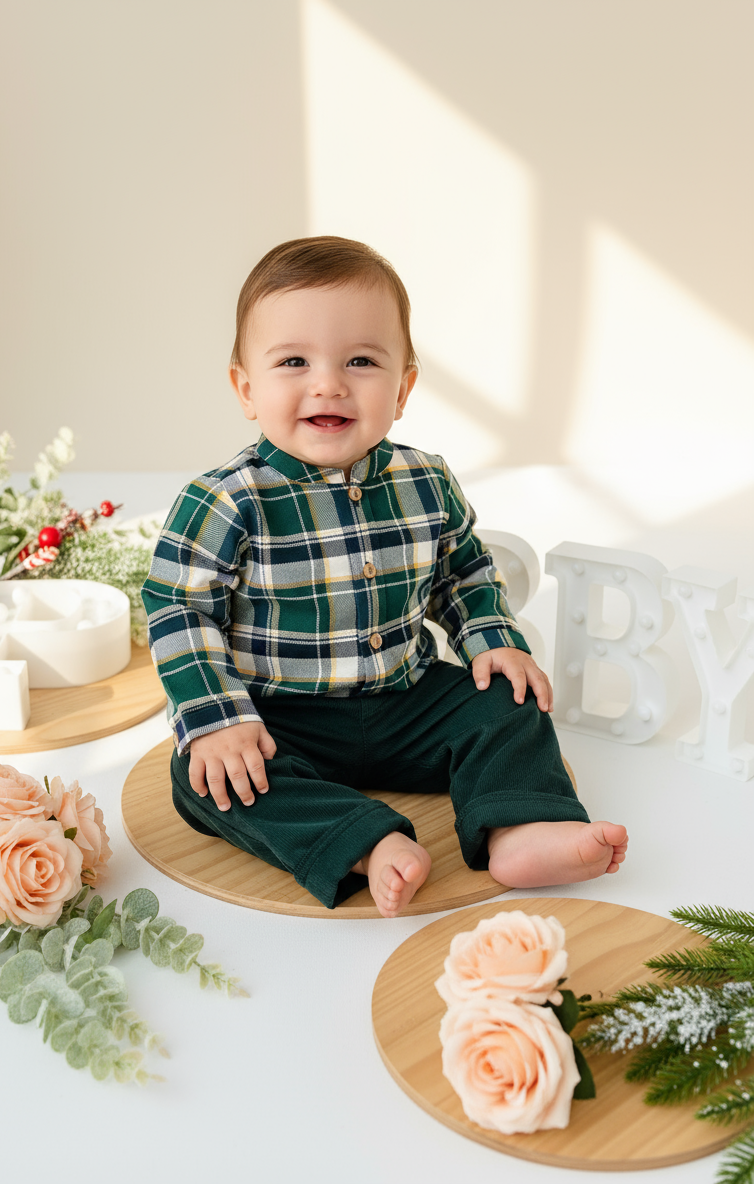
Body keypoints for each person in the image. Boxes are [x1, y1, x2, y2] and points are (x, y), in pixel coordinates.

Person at [141, 236, 628, 917]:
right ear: (246, 389)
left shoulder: (424, 479)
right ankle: (365, 841)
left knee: (509, 700)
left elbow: (462, 571)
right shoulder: (227, 499)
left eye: (361, 361)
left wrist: (491, 639)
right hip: (283, 714)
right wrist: (218, 718)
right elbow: (179, 609)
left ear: (402, 388)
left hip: (408, 698)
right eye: (294, 362)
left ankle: (519, 828)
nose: (329, 383)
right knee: (203, 780)